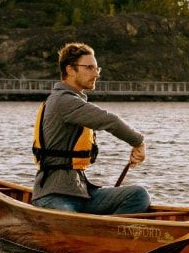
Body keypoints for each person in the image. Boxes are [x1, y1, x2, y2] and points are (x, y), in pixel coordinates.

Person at [30, 42, 151, 215]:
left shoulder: (74, 100)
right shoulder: (63, 101)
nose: (96, 74)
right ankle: (102, 236)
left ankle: (109, 235)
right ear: (70, 70)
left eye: (97, 69)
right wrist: (139, 142)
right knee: (73, 222)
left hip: (82, 193)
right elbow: (110, 121)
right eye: (89, 68)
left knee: (138, 195)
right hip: (53, 196)